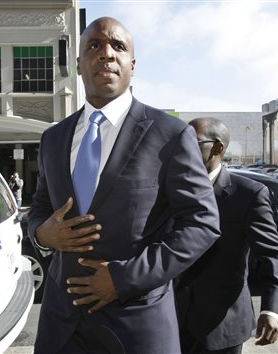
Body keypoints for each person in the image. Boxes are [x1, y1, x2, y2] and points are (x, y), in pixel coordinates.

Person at [26, 17, 220, 354]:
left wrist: (123, 279)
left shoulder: (170, 135)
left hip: (137, 324)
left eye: (118, 46)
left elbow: (202, 224)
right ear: (78, 65)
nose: (106, 54)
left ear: (133, 64)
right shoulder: (53, 138)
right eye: (94, 46)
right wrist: (43, 234)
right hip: (61, 324)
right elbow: (40, 206)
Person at [175, 117, 278, 354]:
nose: (182, 149)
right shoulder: (170, 189)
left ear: (217, 148)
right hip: (171, 320)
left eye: (191, 142)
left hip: (222, 325)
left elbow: (272, 255)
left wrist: (272, 309)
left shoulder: (248, 194)